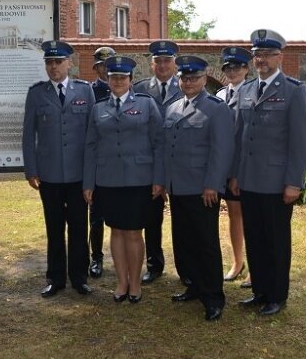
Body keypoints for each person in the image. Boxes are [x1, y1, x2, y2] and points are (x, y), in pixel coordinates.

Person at [230, 29, 306, 316]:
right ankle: (259, 291)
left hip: (278, 183)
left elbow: (301, 141)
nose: (261, 59)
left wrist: (294, 181)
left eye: (266, 54)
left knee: (276, 239)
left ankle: (277, 295)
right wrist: (236, 175)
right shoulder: (247, 89)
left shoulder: (293, 90)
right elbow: (239, 137)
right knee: (254, 237)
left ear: (280, 56)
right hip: (250, 180)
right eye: (257, 55)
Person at [83, 56, 164, 303]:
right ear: (107, 80)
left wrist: (159, 178)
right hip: (108, 180)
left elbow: (158, 143)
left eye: (122, 77)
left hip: (139, 179)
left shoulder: (147, 104)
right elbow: (91, 147)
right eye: (113, 77)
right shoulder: (98, 108)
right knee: (116, 231)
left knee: (134, 233)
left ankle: (136, 283)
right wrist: (88, 182)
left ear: (130, 80)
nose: (117, 81)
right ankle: (122, 282)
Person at [163, 55, 234, 321]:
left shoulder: (217, 108)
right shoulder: (172, 108)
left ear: (204, 79)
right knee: (183, 240)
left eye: (194, 78)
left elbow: (222, 151)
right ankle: (192, 285)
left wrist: (213, 184)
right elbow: (168, 150)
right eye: (184, 78)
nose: (189, 82)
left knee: (206, 243)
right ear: (179, 80)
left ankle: (213, 296)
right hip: (178, 188)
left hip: (203, 190)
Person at [22, 41, 94, 298]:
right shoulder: (36, 93)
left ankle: (79, 277)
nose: (53, 67)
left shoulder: (84, 91)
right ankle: (55, 278)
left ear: (69, 64)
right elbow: (28, 135)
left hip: (77, 175)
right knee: (54, 228)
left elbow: (92, 136)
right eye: (49, 63)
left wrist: (90, 175)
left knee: (78, 227)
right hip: (49, 174)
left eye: (58, 62)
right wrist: (31, 170)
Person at [132, 40, 182, 285]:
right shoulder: (140, 89)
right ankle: (154, 264)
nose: (162, 65)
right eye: (158, 61)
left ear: (175, 63)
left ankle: (188, 267)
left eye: (167, 60)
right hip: (150, 165)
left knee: (185, 220)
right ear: (151, 64)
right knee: (152, 218)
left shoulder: (186, 86)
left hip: (181, 165)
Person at [215, 47, 253, 287]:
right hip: (223, 168)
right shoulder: (219, 95)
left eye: (237, 67)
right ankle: (237, 262)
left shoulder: (253, 93)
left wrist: (238, 173)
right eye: (228, 67)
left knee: (249, 218)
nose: (232, 71)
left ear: (246, 69)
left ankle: (255, 268)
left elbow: (247, 137)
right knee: (233, 215)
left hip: (244, 168)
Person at [88, 46, 116, 279]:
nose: (106, 70)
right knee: (96, 218)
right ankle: (96, 257)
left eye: (109, 65)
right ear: (96, 68)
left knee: (121, 216)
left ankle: (121, 257)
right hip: (97, 163)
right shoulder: (89, 92)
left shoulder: (127, 89)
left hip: (119, 163)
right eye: (101, 66)